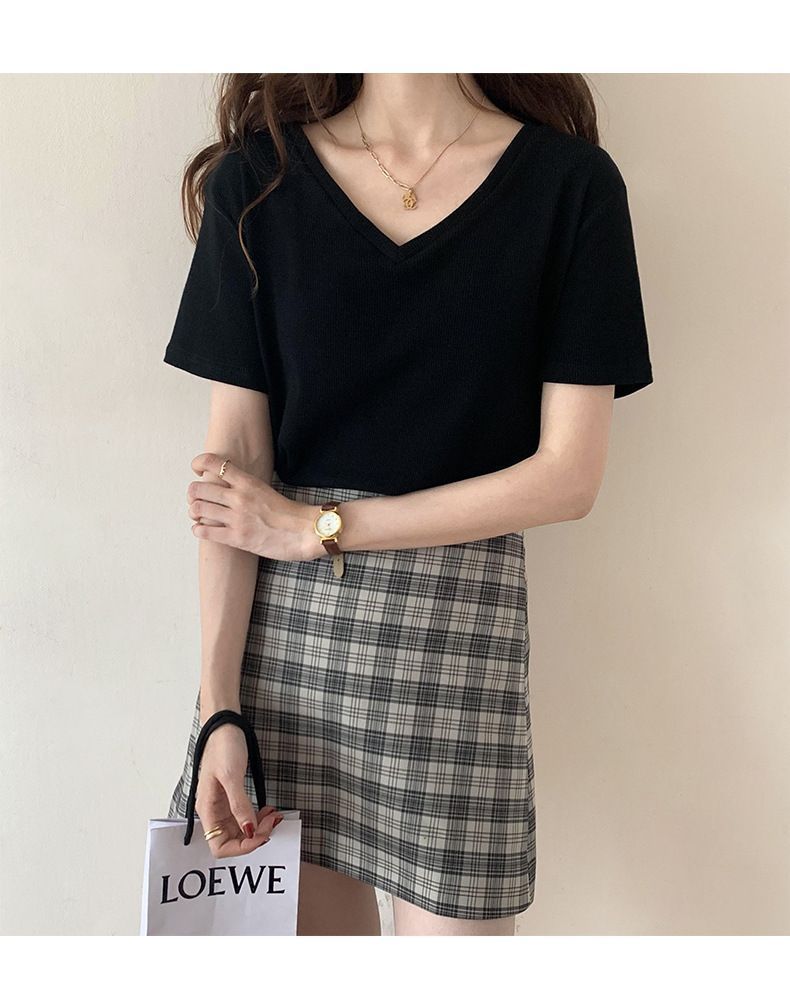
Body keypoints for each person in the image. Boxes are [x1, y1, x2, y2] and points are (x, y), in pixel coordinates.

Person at [162, 72, 654, 937]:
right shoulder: (258, 183)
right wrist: (219, 711)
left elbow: (567, 478)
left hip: (457, 650)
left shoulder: (570, 186)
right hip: (285, 654)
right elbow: (232, 478)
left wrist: (318, 527)